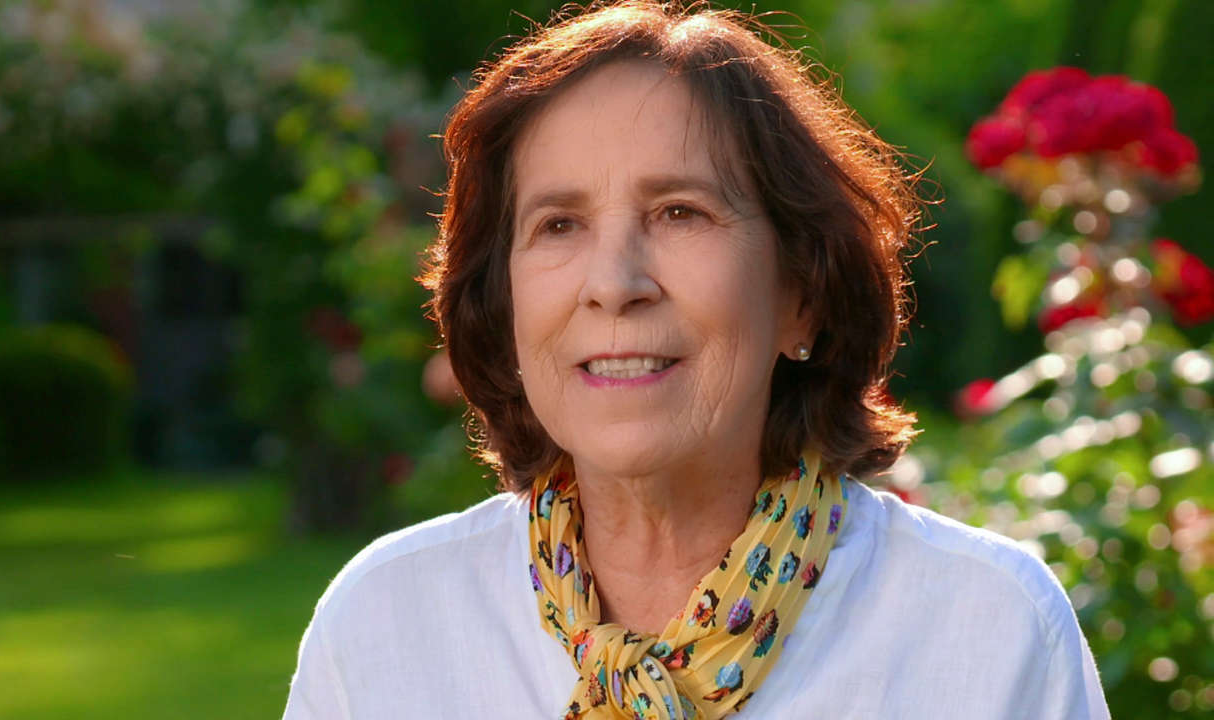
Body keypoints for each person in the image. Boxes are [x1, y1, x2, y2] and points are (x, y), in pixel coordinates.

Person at [282, 2, 1111, 718]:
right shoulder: (383, 629)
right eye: (559, 225)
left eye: (680, 212)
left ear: (803, 293)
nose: (614, 285)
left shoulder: (989, 629)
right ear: (505, 307)